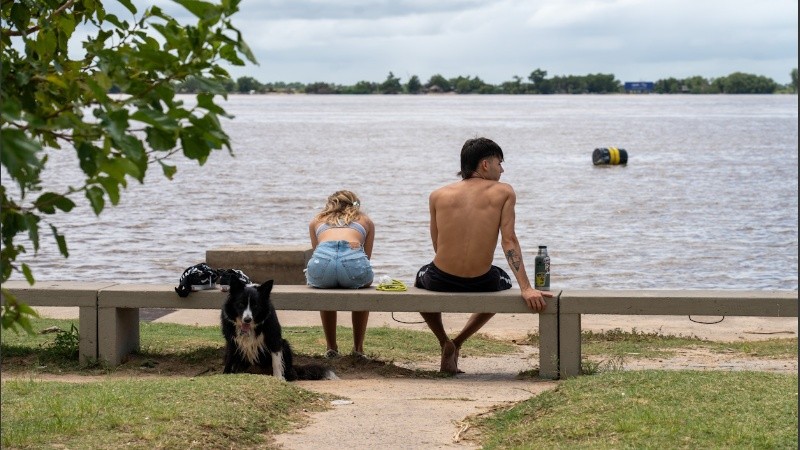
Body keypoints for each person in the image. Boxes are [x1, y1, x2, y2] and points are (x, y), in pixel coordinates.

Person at [415, 137, 554, 374]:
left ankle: (443, 341)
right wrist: (527, 288)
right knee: (503, 283)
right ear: (485, 165)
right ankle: (458, 342)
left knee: (419, 281)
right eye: (500, 163)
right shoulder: (504, 192)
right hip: (482, 280)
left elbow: (438, 245)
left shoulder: (437, 195)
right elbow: (509, 241)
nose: (502, 169)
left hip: (441, 278)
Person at [306, 190, 375, 358]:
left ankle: (331, 348)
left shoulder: (316, 221)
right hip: (352, 266)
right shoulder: (365, 221)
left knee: (325, 290)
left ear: (330, 204)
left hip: (322, 268)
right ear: (355, 204)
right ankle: (358, 349)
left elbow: (317, 251)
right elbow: (366, 256)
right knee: (362, 292)